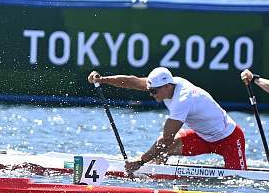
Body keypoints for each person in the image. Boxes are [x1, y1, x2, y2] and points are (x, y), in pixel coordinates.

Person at [89, 67, 247, 173]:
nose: (151, 94)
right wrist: (102, 80)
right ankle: (155, 177)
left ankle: (140, 167)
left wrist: (140, 160)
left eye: (154, 91)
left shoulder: (183, 99)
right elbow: (133, 81)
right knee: (161, 151)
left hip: (229, 139)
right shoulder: (166, 84)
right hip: (202, 137)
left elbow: (166, 139)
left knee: (237, 180)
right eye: (150, 90)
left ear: (167, 86)